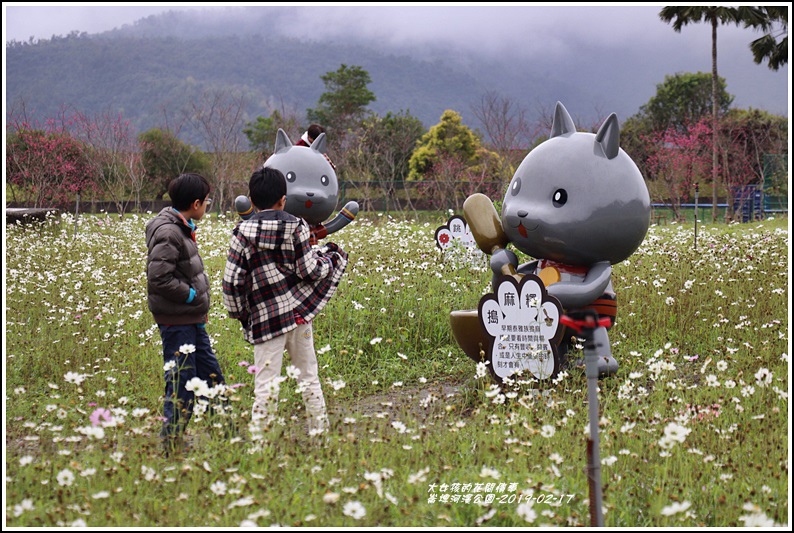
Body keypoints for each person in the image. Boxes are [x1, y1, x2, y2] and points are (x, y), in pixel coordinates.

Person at [222, 167, 348, 436]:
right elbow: (308, 271)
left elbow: (232, 283)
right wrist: (331, 258)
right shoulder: (297, 226)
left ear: (252, 201)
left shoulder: (242, 233)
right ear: (283, 199)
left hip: (266, 321)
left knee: (266, 384)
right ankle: (320, 436)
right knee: (309, 377)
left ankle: (261, 444)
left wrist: (242, 314)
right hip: (299, 316)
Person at [145, 173, 230, 455]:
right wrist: (191, 296)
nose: (207, 205)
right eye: (206, 201)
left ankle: (227, 434)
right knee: (181, 383)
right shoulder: (169, 232)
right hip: (177, 322)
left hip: (190, 320)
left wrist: (198, 308)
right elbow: (159, 278)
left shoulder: (181, 226)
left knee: (212, 377)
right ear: (196, 203)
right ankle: (171, 443)